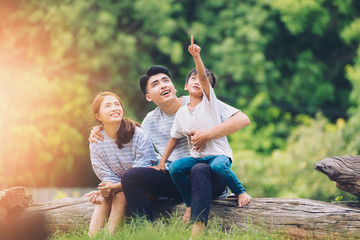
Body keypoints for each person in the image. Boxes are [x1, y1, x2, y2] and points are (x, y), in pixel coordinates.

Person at [90, 55, 250, 240]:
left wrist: (208, 134)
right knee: (130, 177)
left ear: (175, 87)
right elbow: (130, 132)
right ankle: (147, 232)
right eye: (156, 84)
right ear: (149, 97)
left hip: (209, 177)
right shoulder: (150, 121)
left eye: (166, 81)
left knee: (199, 168)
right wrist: (99, 128)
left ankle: (196, 232)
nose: (163, 85)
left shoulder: (201, 101)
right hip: (178, 178)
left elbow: (242, 119)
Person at [154, 36, 251, 230]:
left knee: (217, 167)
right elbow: (174, 138)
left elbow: (204, 78)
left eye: (201, 80)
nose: (197, 81)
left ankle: (240, 191)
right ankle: (189, 204)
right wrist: (163, 160)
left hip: (218, 156)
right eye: (193, 79)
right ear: (185, 86)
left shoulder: (210, 103)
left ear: (209, 89)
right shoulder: (181, 112)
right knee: (176, 168)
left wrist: (196, 57)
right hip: (197, 158)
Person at [86, 91, 157, 236]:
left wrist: (112, 189)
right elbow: (105, 173)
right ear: (98, 116)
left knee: (119, 196)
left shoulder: (139, 135)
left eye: (117, 104)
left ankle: (109, 237)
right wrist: (106, 188)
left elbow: (141, 173)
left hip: (148, 187)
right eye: (108, 106)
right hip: (119, 187)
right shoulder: (96, 141)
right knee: (106, 197)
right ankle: (91, 237)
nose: (114, 108)